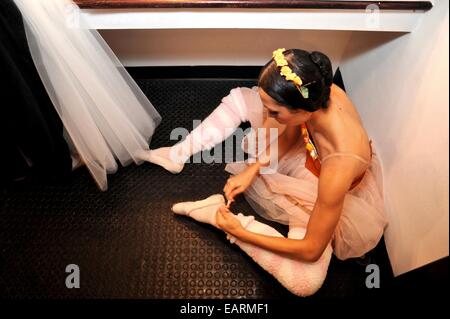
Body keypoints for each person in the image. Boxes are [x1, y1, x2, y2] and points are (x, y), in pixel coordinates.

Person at [139, 48, 387, 296]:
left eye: (275, 112)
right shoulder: (314, 91)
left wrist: (240, 233)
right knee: (242, 100)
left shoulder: (338, 168)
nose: (268, 116)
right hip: (310, 148)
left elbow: (310, 250)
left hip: (318, 180)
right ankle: (178, 153)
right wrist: (254, 169)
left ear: (300, 110)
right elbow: (294, 130)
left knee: (305, 283)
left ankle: (215, 216)